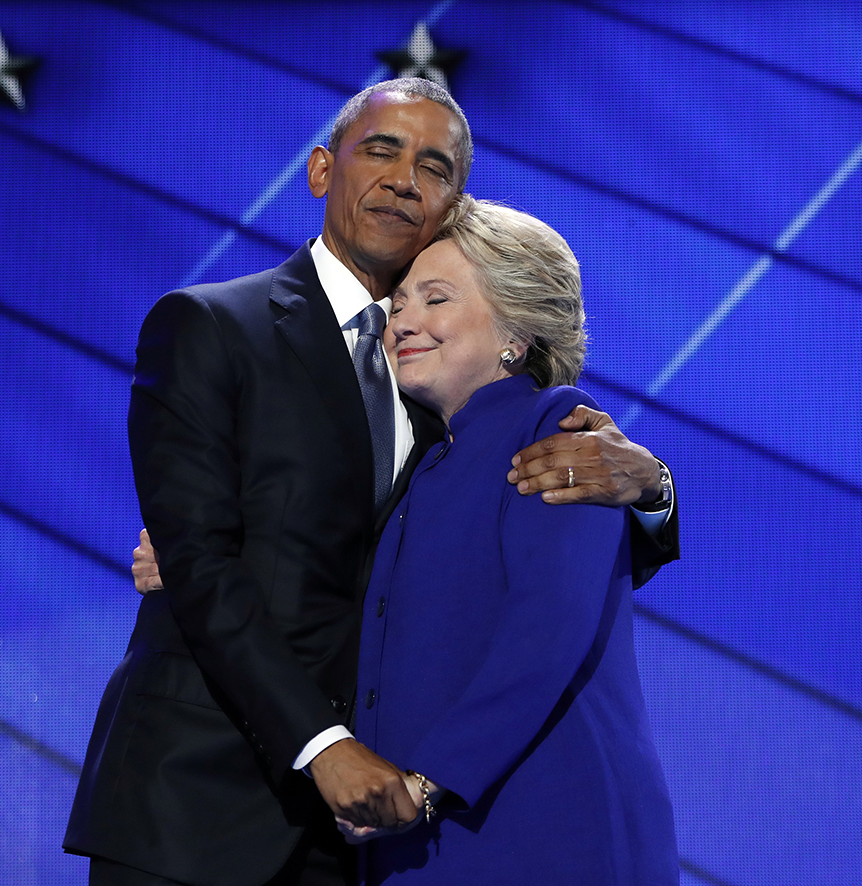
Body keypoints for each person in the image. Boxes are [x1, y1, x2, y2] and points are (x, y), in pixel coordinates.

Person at [64, 78, 677, 886]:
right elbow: (202, 560)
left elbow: (541, 563)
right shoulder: (211, 326)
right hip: (197, 800)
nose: (402, 178)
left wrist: (655, 487)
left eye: (434, 166)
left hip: (368, 829)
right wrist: (325, 745)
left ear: (452, 205)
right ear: (321, 170)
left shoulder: (455, 387)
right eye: (380, 149)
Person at [340, 197, 679, 884]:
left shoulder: (553, 426)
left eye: (434, 298)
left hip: (541, 830)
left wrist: (429, 781)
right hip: (423, 841)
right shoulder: (420, 464)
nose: (402, 319)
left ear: (513, 336)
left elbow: (548, 624)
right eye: (398, 303)